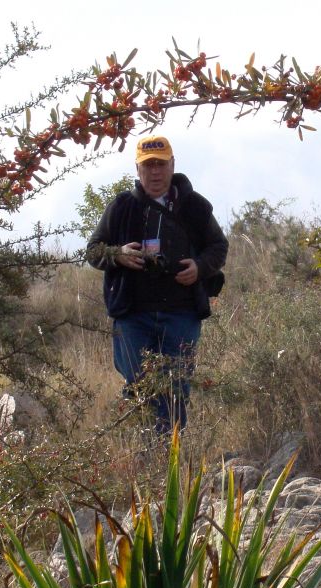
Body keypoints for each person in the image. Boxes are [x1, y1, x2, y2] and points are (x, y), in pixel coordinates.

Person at [86, 135, 228, 435]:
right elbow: (94, 251)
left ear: (172, 165)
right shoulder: (122, 207)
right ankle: (141, 452)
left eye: (161, 164)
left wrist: (199, 268)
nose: (155, 172)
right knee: (138, 386)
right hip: (132, 314)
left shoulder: (195, 206)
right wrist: (118, 254)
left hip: (182, 314)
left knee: (176, 388)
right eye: (148, 165)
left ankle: (168, 456)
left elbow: (218, 246)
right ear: (137, 169)